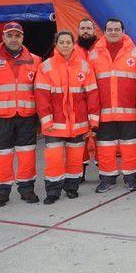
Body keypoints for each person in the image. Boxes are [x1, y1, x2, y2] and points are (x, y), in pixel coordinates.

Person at [0, 22, 41, 207]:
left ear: (22, 38)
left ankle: (27, 189)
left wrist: (40, 117)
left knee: (27, 154)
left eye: (17, 35)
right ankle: (2, 192)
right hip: (0, 118)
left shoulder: (35, 60)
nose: (13, 39)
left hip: (26, 116)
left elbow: (41, 91)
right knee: (1, 155)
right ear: (3, 38)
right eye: (9, 35)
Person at [34, 31, 100, 204]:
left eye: (68, 42)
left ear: (73, 44)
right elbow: (41, 96)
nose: (65, 45)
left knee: (75, 157)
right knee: (54, 159)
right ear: (56, 44)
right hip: (54, 123)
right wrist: (46, 120)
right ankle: (53, 191)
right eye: (61, 42)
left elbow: (92, 94)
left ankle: (71, 188)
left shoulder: (84, 67)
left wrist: (93, 120)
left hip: (78, 122)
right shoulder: (46, 66)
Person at [88, 18, 136, 193]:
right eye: (110, 29)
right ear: (104, 32)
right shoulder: (94, 54)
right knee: (105, 147)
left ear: (123, 31)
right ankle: (107, 178)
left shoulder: (135, 54)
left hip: (129, 112)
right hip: (104, 112)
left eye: (116, 29)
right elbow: (90, 86)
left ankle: (131, 177)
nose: (113, 32)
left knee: (131, 146)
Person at [76, 17, 97, 182]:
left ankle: (104, 171)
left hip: (98, 98)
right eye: (83, 28)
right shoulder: (71, 49)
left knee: (100, 138)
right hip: (78, 100)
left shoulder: (101, 48)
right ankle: (79, 172)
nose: (86, 31)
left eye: (88, 28)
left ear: (94, 31)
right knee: (80, 138)